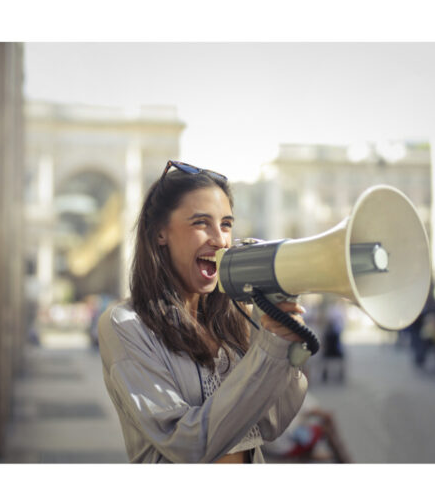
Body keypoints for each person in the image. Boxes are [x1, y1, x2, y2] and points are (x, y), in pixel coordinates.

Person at [97, 160, 309, 463]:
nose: (220, 239)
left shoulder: (238, 316)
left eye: (225, 224)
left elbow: (270, 423)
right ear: (160, 233)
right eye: (200, 223)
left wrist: (284, 348)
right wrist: (266, 351)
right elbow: (186, 444)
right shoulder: (125, 325)